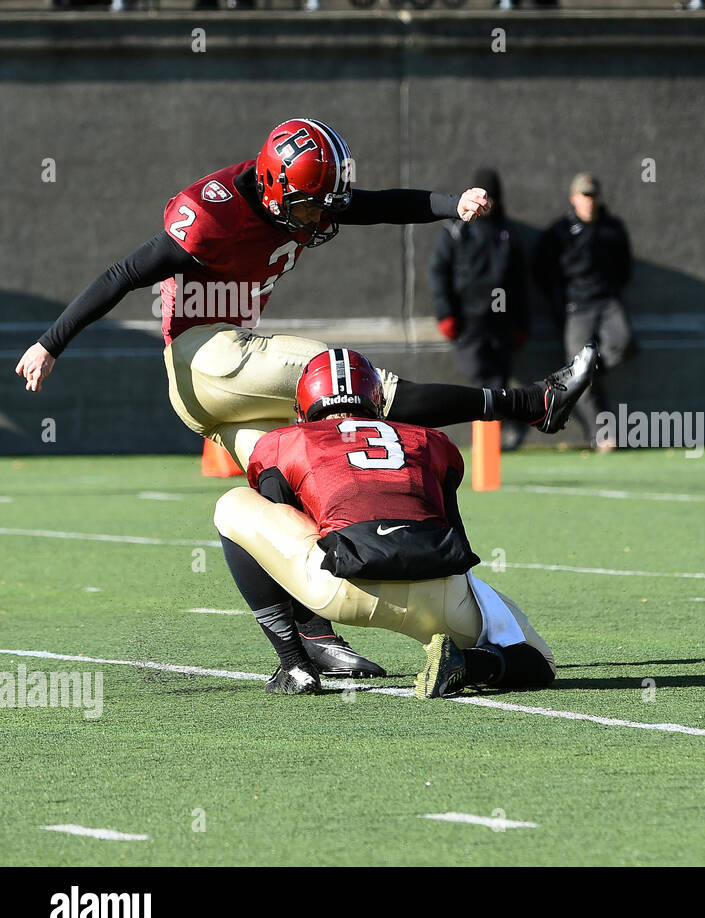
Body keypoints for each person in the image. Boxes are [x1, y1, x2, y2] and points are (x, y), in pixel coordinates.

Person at [15, 118, 594, 678]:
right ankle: (532, 404)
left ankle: (303, 646)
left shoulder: (296, 188)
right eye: (309, 206)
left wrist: (451, 204)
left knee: (285, 494)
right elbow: (122, 273)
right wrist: (50, 343)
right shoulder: (213, 216)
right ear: (272, 189)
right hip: (204, 356)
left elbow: (377, 205)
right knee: (342, 374)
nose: (319, 219)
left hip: (224, 392)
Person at [214, 348, 557, 697]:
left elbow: (279, 535)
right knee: (540, 660)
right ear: (376, 400)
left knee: (233, 504)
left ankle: (295, 665)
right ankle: (467, 664)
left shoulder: (282, 443)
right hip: (440, 594)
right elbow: (455, 534)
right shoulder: (430, 440)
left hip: (342, 586)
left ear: (304, 405)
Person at [430, 167, 532, 450]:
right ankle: (509, 423)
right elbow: (439, 273)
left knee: (496, 379)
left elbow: (519, 282)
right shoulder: (455, 230)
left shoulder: (508, 234)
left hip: (500, 322)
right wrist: (445, 314)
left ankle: (497, 438)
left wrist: (522, 323)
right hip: (467, 320)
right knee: (479, 375)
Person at [535, 172, 634, 446]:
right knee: (579, 372)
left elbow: (625, 266)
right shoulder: (560, 231)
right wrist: (558, 300)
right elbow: (540, 269)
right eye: (584, 196)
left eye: (593, 196)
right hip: (575, 308)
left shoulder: (612, 228)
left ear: (599, 198)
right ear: (574, 198)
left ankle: (594, 369)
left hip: (607, 302)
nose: (589, 202)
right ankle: (603, 435)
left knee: (622, 343)